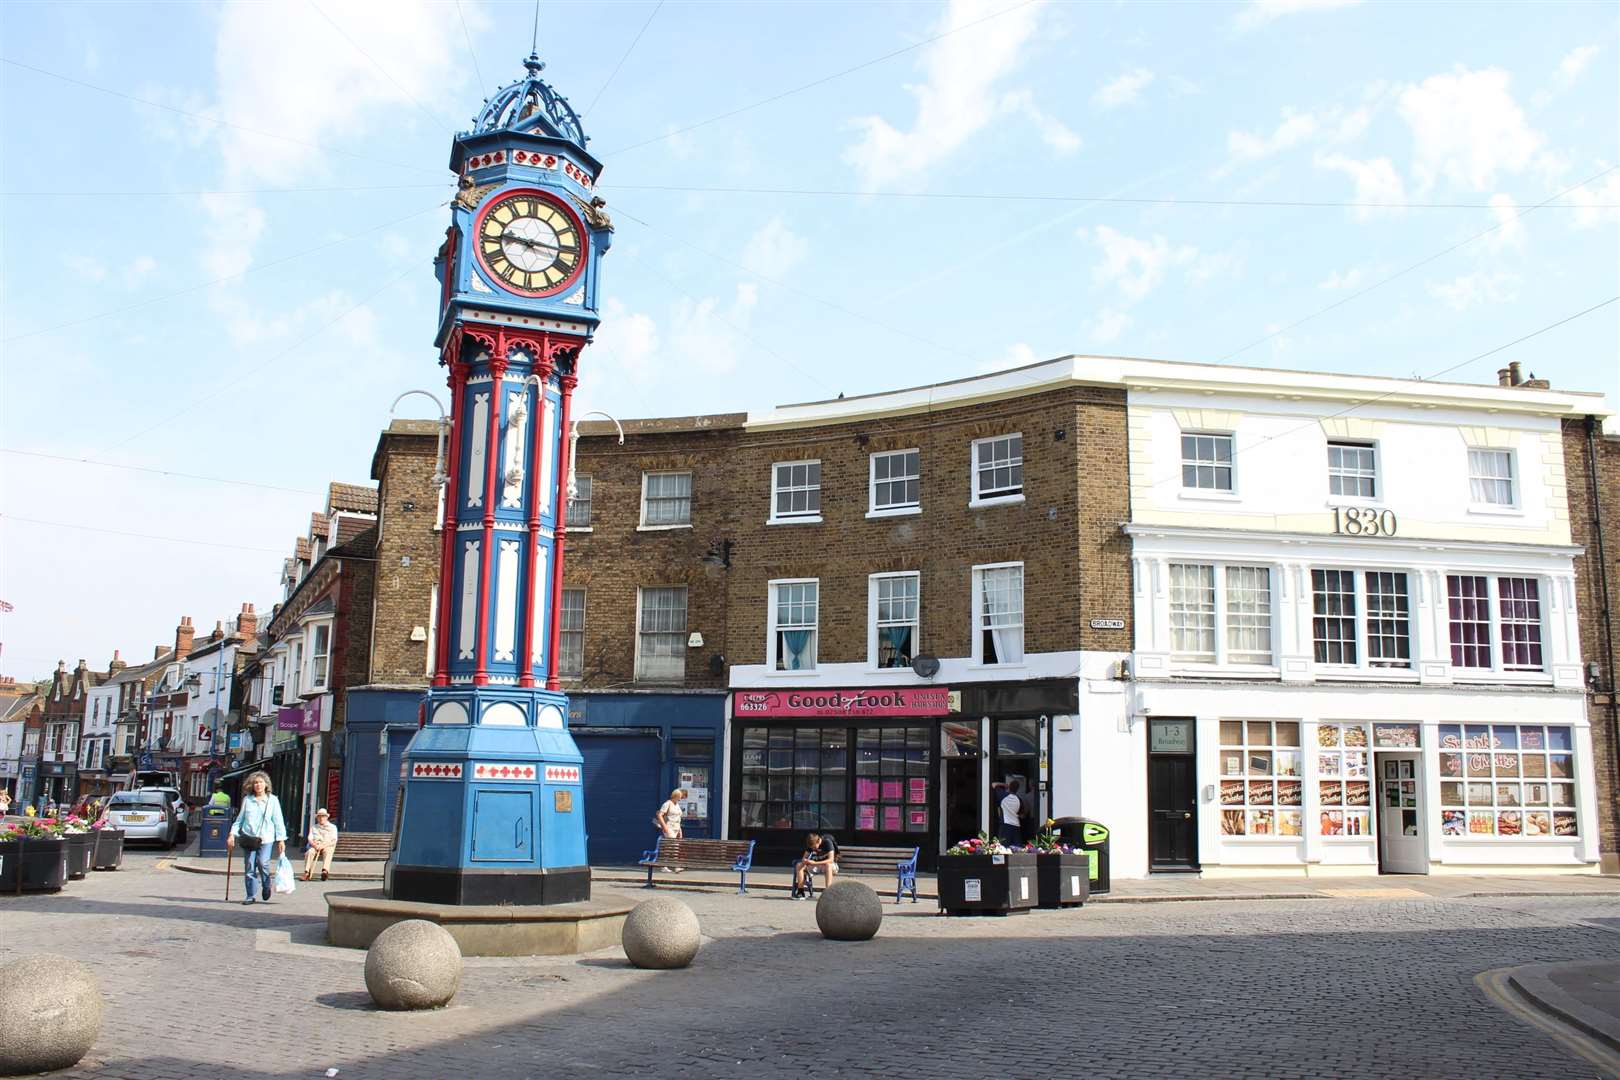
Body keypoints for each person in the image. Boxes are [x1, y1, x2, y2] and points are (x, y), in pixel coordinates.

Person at [226, 771, 287, 905]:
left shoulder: (272, 800)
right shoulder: (247, 800)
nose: (258, 785)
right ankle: (250, 895)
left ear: (266, 784)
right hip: (249, 838)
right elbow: (240, 820)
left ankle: (266, 885)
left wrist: (281, 839)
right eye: (255, 783)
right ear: (252, 785)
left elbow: (278, 820)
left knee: (263, 863)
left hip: (266, 838)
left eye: (260, 782)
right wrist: (232, 834)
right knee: (249, 867)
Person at [791, 832, 838, 898]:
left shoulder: (827, 842)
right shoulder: (811, 843)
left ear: (818, 841)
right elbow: (804, 858)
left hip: (832, 866)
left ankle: (828, 892)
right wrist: (805, 861)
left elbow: (831, 860)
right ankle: (800, 891)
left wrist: (814, 863)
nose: (813, 849)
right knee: (799, 865)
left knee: (828, 865)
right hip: (817, 865)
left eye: (814, 847)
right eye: (812, 848)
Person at [654, 788, 687, 873]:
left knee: (670, 847)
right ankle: (674, 866)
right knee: (674, 846)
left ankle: (665, 866)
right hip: (669, 828)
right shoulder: (667, 804)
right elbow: (660, 815)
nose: (681, 798)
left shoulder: (677, 805)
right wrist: (664, 826)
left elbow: (678, 818)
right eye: (679, 796)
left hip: (676, 828)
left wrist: (680, 830)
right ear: (675, 795)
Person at [302, 807, 339, 882]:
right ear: (317, 818)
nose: (321, 818)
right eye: (319, 816)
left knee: (328, 852)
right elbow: (310, 838)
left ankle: (325, 871)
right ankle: (306, 872)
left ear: (326, 817)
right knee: (309, 852)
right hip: (316, 845)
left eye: (323, 816)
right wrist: (314, 845)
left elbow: (334, 840)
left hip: (327, 845)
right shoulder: (314, 827)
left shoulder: (333, 827)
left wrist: (323, 846)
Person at [996, 782, 1022, 846]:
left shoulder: (1003, 795)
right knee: (1016, 848)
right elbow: (1022, 815)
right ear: (1017, 789)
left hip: (1006, 825)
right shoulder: (1019, 799)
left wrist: (1004, 784)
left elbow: (993, 785)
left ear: (1009, 787)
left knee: (1003, 847)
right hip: (1016, 826)